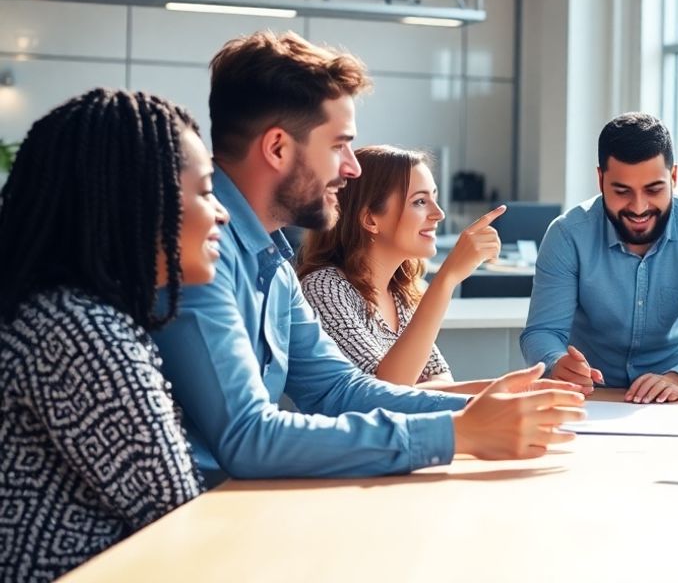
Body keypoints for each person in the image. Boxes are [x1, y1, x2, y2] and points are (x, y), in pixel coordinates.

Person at [153, 31, 583, 482]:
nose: (352, 167)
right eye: (339, 145)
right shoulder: (199, 251)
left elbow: (340, 389)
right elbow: (248, 438)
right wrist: (458, 432)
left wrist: (481, 410)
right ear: (278, 148)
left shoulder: (272, 261)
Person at [0, 89, 227, 581]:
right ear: (142, 199)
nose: (221, 212)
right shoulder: (77, 332)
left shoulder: (67, 314)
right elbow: (180, 516)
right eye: (207, 191)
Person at [520, 113, 678, 403]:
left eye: (654, 189)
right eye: (622, 191)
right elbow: (542, 332)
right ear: (600, 179)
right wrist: (557, 363)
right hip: (591, 400)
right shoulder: (567, 235)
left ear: (673, 177)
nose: (639, 207)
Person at [299, 145, 535, 391]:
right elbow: (387, 393)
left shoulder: (401, 293)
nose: (439, 213)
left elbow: (440, 380)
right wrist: (447, 277)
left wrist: (508, 390)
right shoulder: (324, 289)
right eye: (420, 201)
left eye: (434, 197)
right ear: (370, 219)